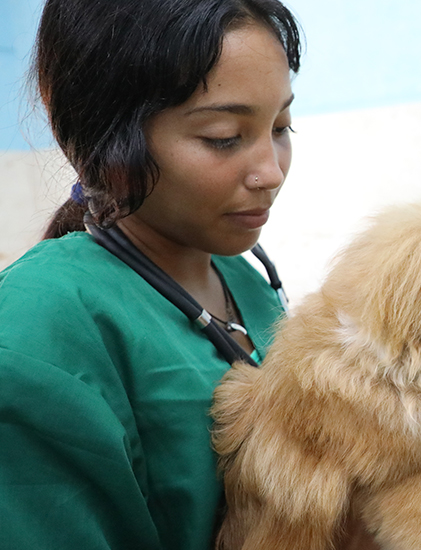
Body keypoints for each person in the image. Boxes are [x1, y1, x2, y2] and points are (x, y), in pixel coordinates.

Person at [0, 1, 375, 548]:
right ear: (105, 136)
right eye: (223, 137)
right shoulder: (38, 331)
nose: (270, 171)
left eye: (281, 126)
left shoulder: (242, 279)